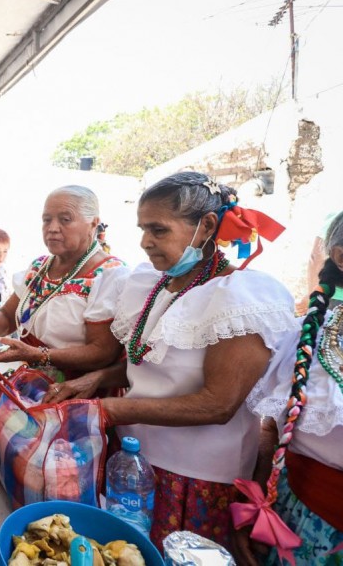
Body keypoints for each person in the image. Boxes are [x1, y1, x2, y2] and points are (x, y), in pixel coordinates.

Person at [44, 173, 296, 557]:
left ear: (206, 226)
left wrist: (107, 408)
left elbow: (218, 403)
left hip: (195, 478)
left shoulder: (240, 299)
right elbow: (149, 364)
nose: (145, 242)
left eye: (158, 230)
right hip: (131, 464)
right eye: (143, 229)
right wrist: (96, 379)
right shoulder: (153, 285)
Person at [236, 210, 343, 566]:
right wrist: (256, 509)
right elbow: (272, 427)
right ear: (341, 257)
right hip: (306, 527)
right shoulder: (304, 339)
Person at [0, 185, 128, 384]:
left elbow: (102, 352)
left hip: (77, 393)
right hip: (34, 384)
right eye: (46, 220)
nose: (52, 228)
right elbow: (8, 316)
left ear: (93, 223)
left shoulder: (109, 274)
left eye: (65, 220)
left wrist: (38, 355)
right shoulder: (40, 267)